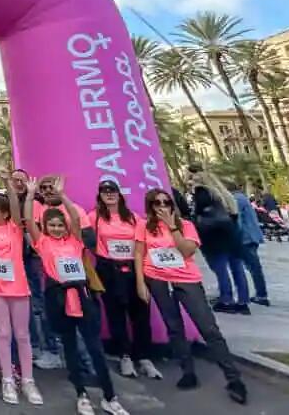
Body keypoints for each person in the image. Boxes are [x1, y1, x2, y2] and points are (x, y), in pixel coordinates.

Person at [23, 177, 129, 415]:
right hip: (58, 298)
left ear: (66, 226)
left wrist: (63, 196)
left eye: (60, 225)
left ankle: (110, 397)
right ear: (46, 227)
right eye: (52, 226)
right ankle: (81, 394)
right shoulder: (42, 243)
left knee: (94, 348)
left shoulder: (75, 240)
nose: (56, 229)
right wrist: (30, 195)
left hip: (82, 296)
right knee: (69, 347)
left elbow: (75, 218)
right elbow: (29, 221)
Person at [136, 188, 247, 405]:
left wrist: (172, 227)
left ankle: (233, 378)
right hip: (157, 279)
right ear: (150, 206)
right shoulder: (144, 226)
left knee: (208, 328)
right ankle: (187, 371)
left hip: (186, 279)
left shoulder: (185, 225)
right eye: (157, 203)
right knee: (174, 327)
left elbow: (187, 251)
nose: (162, 207)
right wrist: (141, 283)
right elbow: (139, 253)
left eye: (166, 202)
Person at [0, 184, 43, 406]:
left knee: (22, 335)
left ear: (5, 214)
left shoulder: (14, 229)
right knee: (3, 334)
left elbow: (14, 206)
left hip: (18, 289)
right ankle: (7, 379)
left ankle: (28, 380)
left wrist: (11, 187)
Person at [85, 180, 161, 380]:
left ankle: (144, 357)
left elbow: (142, 245)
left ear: (119, 194)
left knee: (141, 313)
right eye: (105, 191)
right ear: (100, 196)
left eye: (112, 191)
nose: (109, 194)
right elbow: (85, 237)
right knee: (115, 313)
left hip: (134, 268)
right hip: (109, 269)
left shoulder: (133, 217)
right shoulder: (94, 217)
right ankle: (124, 355)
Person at [11, 169, 61, 371]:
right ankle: (37, 347)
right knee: (29, 305)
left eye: (21, 180)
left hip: (36, 259)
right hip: (18, 260)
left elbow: (33, 229)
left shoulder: (38, 204)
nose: (18, 183)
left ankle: (51, 349)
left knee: (39, 305)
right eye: (14, 180)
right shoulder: (11, 202)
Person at [187, 167, 248, 314]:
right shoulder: (225, 196)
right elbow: (234, 216)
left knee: (221, 270)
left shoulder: (202, 193)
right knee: (237, 269)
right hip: (232, 235)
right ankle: (243, 301)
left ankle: (226, 300)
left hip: (215, 238)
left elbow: (199, 215)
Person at [231, 183, 269, 306]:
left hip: (245, 238)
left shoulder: (235, 199)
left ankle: (261, 295)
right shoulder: (241, 197)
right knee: (254, 267)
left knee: (252, 267)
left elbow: (237, 221)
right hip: (251, 236)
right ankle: (261, 294)